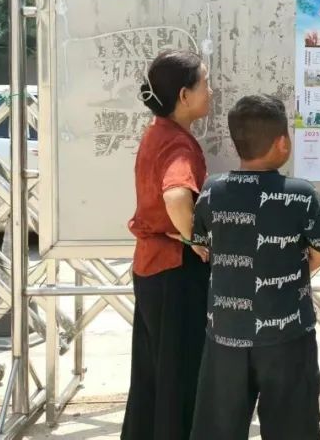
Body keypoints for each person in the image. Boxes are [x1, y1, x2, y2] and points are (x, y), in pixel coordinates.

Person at [189, 94, 320, 440]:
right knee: (293, 429)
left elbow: (200, 242)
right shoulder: (303, 195)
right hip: (288, 336)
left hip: (226, 335)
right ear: (282, 142)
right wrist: (289, 276)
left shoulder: (212, 191)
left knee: (218, 430)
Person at [123, 49, 213, 440]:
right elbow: (176, 195)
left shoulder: (157, 132)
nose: (211, 91)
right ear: (184, 96)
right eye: (205, 84)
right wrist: (195, 238)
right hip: (175, 270)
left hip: (152, 267)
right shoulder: (178, 144)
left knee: (152, 377)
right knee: (180, 377)